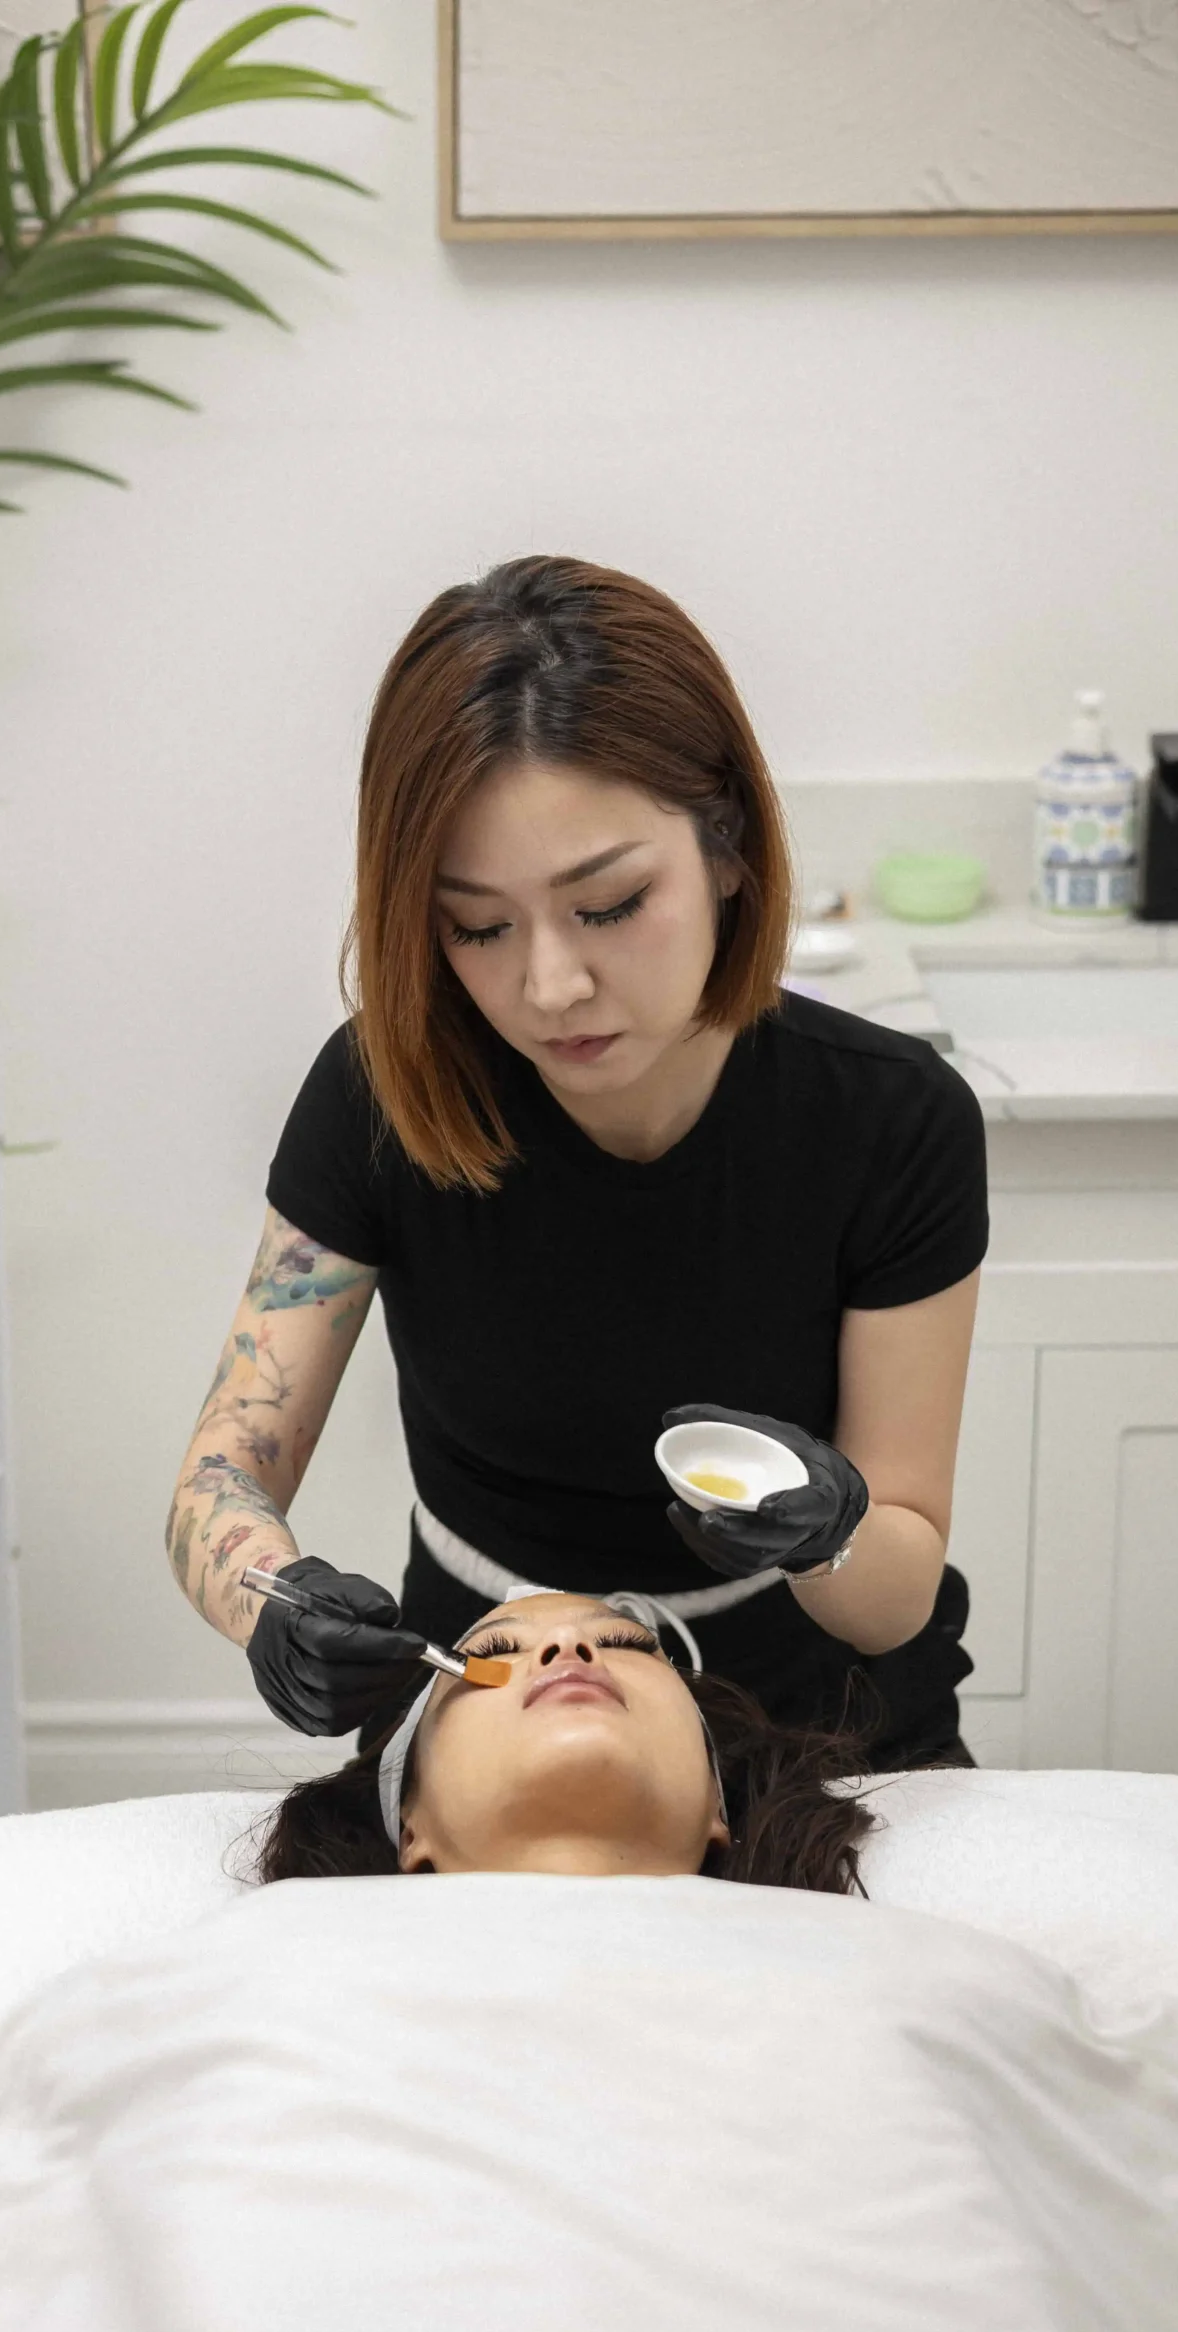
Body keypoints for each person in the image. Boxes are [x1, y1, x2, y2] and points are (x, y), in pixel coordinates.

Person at [168, 557, 988, 1770]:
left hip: (821, 1733)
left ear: (727, 847)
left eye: (607, 904)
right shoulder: (385, 1096)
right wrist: (272, 1603)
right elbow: (220, 1476)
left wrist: (832, 1530)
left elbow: (895, 1595)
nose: (550, 986)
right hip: (494, 1720)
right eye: (478, 927)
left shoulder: (890, 1121)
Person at [258, 1589, 872, 1893]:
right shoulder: (286, 1968)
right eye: (495, 1652)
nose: (568, 1649)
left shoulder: (873, 1963)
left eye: (627, 1645)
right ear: (411, 1827)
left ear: (719, 1805)